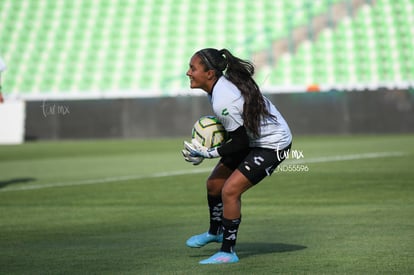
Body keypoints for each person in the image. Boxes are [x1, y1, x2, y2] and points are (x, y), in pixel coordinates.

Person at [182, 48, 293, 264]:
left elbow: (240, 142)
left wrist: (208, 152)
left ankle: (228, 251)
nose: (188, 72)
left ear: (210, 74)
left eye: (192, 68)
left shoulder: (224, 98)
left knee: (230, 191)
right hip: (253, 139)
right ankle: (215, 232)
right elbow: (238, 132)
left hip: (272, 144)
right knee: (214, 185)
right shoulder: (217, 89)